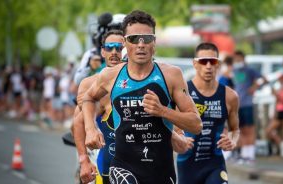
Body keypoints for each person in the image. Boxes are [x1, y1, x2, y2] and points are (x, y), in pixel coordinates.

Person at [82, 10, 202, 184]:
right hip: (123, 168)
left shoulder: (171, 75)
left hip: (161, 171)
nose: (140, 45)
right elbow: (88, 97)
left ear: (154, 42)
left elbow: (196, 124)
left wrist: (163, 111)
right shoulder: (110, 75)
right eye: (133, 38)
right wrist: (90, 129)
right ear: (124, 42)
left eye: (146, 38)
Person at [176, 43, 240, 184]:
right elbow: (171, 125)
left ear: (219, 64)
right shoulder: (183, 92)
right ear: (195, 64)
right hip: (188, 165)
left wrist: (232, 140)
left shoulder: (230, 96)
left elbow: (235, 130)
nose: (209, 66)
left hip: (215, 163)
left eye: (213, 61)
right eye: (204, 61)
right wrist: (180, 138)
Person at [72, 29, 124, 184]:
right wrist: (84, 160)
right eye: (110, 47)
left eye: (119, 48)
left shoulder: (137, 82)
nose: (114, 52)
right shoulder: (90, 84)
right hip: (102, 161)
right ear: (103, 51)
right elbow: (77, 123)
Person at [232, 50, 268, 163]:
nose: (237, 61)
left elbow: (264, 79)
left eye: (239, 59)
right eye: (236, 59)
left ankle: (250, 155)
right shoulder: (234, 71)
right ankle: (244, 155)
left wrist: (255, 87)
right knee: (241, 130)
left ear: (243, 59)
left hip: (247, 104)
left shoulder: (249, 70)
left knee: (250, 130)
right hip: (238, 105)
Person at [265, 58, 283, 157]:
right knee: (269, 131)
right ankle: (281, 146)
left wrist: (276, 94)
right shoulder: (280, 87)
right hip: (279, 111)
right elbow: (278, 101)